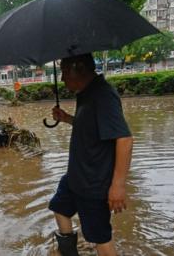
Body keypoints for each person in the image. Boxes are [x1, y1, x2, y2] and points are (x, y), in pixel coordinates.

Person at [48, 53, 133, 256]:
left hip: (93, 185)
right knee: (59, 208)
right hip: (76, 177)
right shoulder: (86, 93)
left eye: (65, 72)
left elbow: (125, 139)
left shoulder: (103, 95)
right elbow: (93, 127)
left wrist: (118, 185)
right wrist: (68, 118)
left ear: (80, 69)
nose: (62, 79)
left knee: (100, 239)